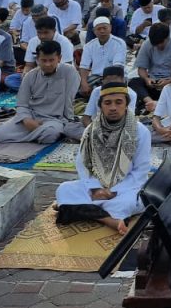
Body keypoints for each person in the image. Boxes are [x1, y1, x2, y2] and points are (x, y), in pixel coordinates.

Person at [54, 81, 150, 235]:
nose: (113, 107)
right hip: (96, 187)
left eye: (118, 102)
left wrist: (113, 190)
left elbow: (141, 171)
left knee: (127, 203)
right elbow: (84, 164)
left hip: (126, 187)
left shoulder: (141, 132)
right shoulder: (91, 130)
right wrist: (95, 188)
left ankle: (80, 209)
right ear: (101, 106)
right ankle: (108, 219)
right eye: (108, 103)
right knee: (65, 189)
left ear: (126, 104)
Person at [0, 40, 81, 143]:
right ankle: (39, 135)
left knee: (50, 134)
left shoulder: (69, 72)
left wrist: (67, 121)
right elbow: (22, 104)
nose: (48, 64)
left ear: (59, 58)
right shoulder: (30, 76)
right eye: (44, 60)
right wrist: (26, 120)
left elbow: (68, 101)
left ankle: (42, 134)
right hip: (32, 116)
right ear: (37, 59)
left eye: (51, 60)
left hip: (55, 119)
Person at [128, 23, 171, 114]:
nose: (158, 46)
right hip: (153, 81)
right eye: (155, 44)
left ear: (167, 37)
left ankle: (155, 103)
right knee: (134, 82)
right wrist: (147, 79)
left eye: (161, 43)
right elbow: (141, 69)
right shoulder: (147, 44)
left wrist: (169, 81)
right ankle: (150, 102)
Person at [78, 16, 128, 95]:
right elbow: (84, 66)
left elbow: (117, 67)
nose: (102, 31)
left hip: (115, 77)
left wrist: (105, 83)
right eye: (99, 29)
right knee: (77, 89)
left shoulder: (119, 43)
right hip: (96, 78)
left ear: (110, 28)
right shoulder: (89, 46)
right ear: (94, 31)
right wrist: (83, 83)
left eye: (105, 28)